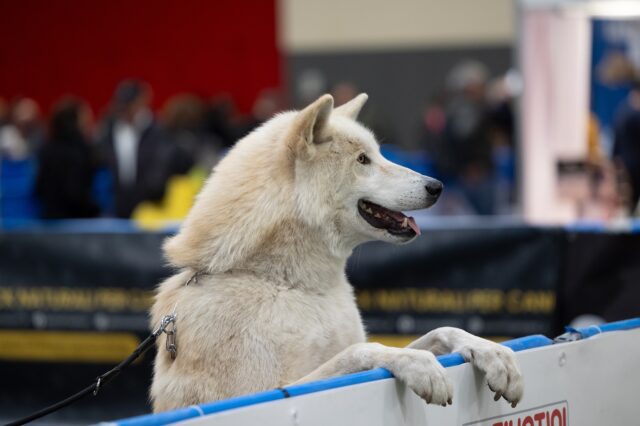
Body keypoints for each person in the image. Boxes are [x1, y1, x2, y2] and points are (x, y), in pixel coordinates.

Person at [97, 80, 192, 218]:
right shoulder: (110, 130)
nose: (128, 109)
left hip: (150, 208)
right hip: (117, 208)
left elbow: (164, 166)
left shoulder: (159, 130)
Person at [35, 98, 99, 218]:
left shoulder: (46, 149)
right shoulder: (79, 152)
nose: (90, 124)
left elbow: (39, 189)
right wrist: (96, 211)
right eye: (86, 120)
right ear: (76, 122)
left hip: (49, 219)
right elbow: (75, 194)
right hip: (76, 223)